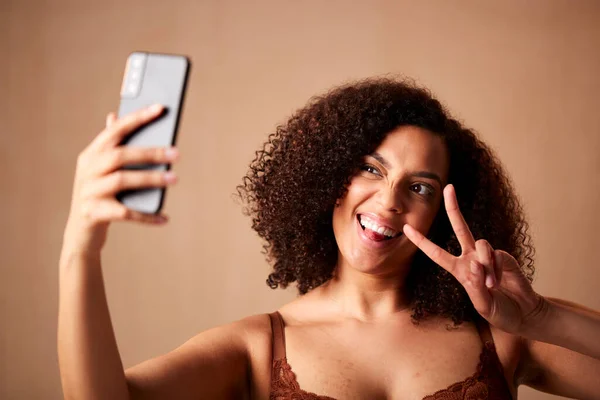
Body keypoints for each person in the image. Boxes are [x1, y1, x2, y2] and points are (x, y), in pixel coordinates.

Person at [58, 78, 600, 399]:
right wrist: (80, 249)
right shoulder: (258, 347)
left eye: (419, 186)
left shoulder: (504, 335)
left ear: (444, 210)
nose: (389, 201)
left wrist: (542, 318)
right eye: (370, 169)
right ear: (327, 180)